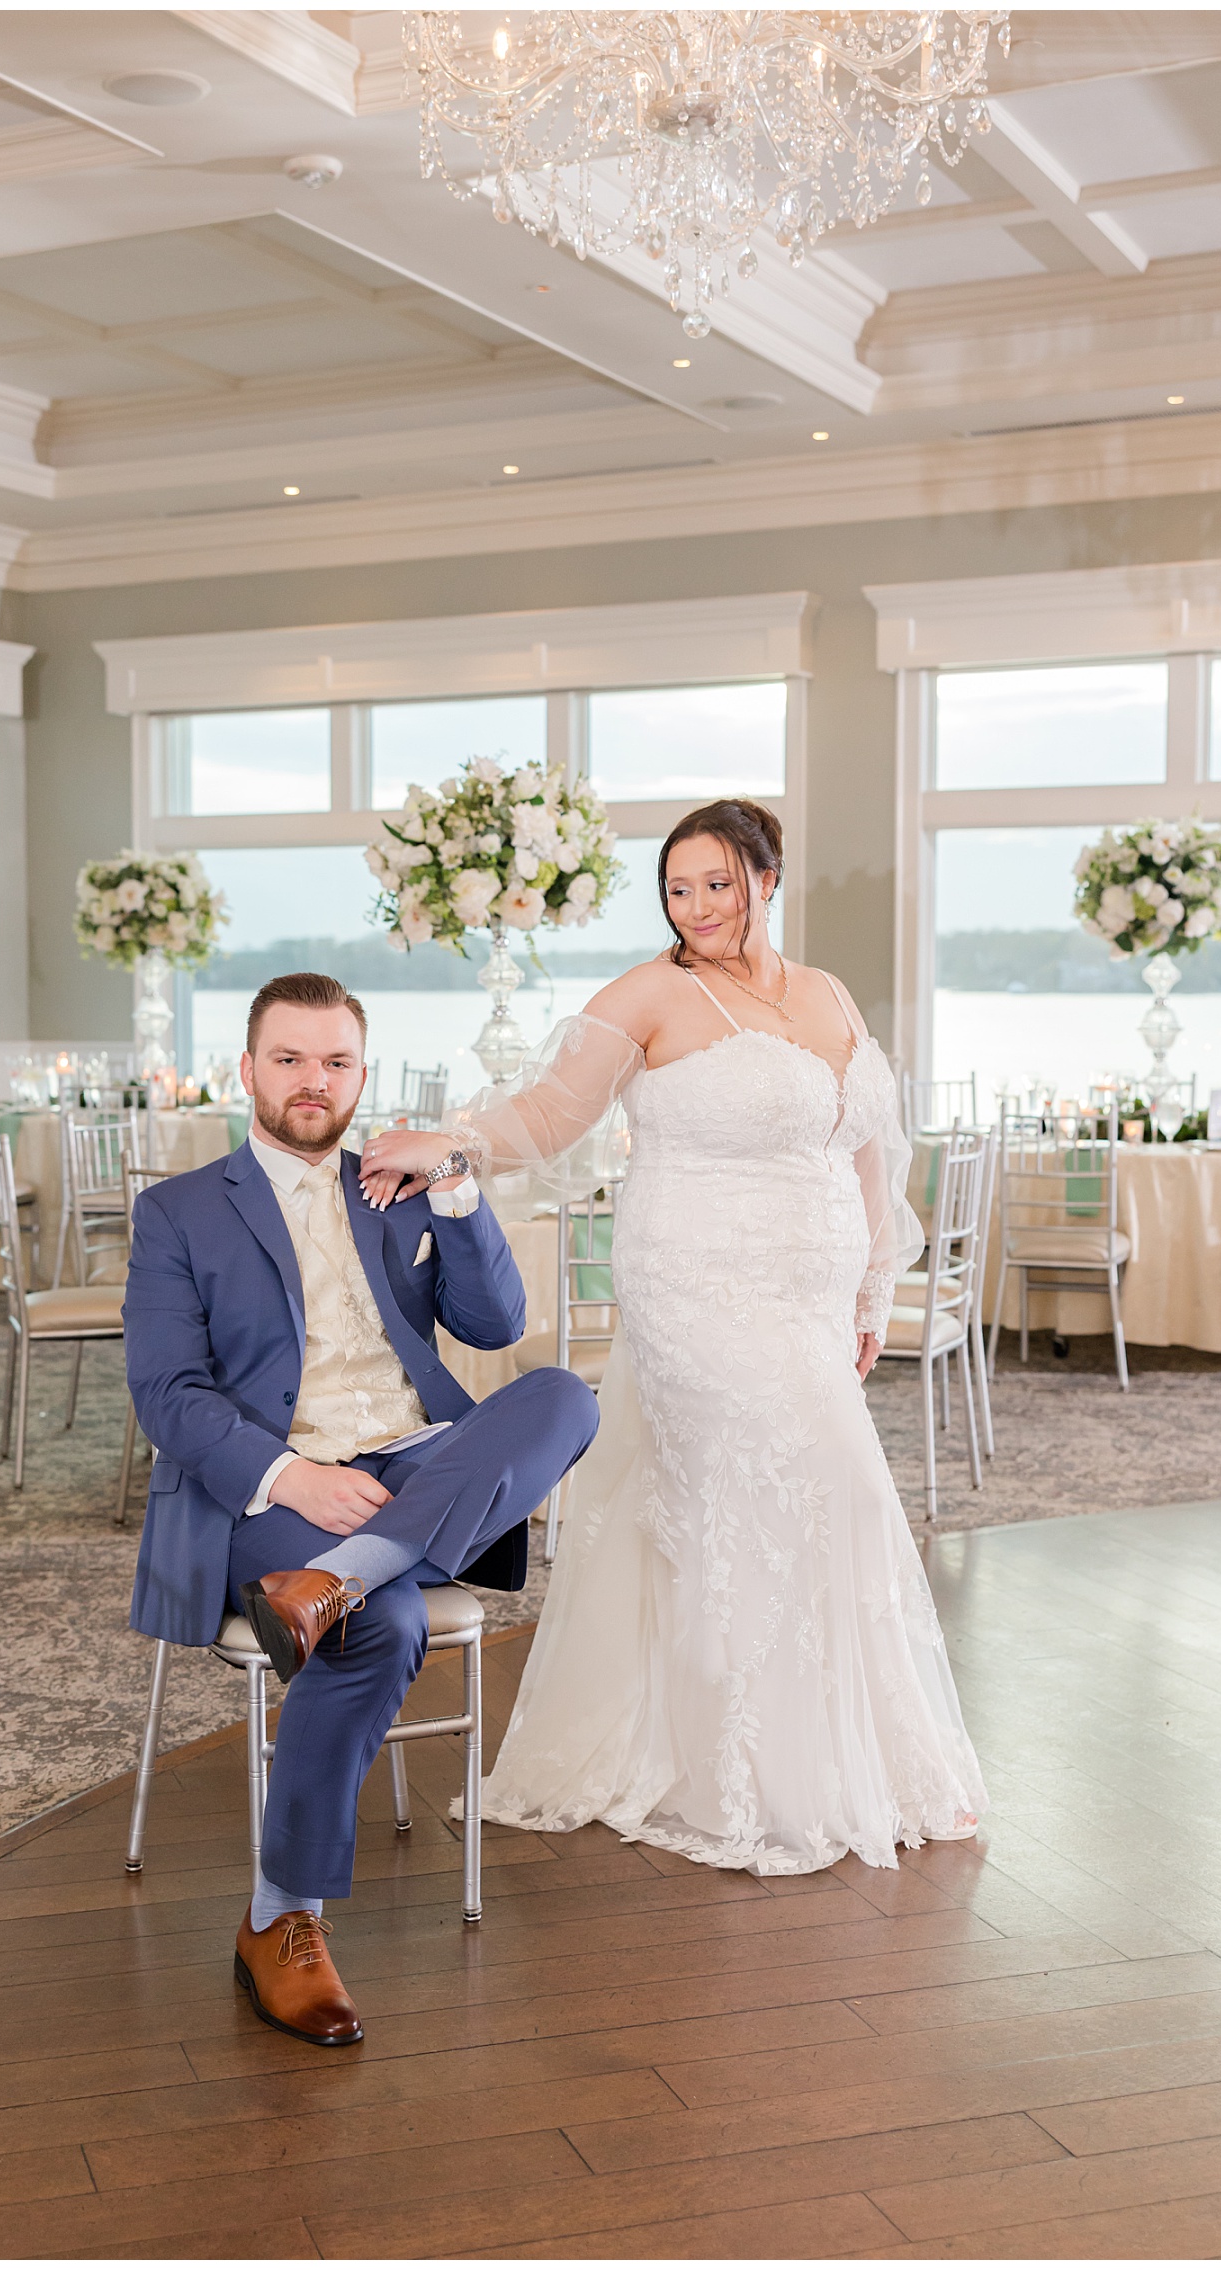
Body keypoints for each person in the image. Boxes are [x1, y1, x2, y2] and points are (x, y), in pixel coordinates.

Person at [361, 800, 986, 1877]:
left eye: (717, 883)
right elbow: (551, 1111)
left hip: (810, 1299)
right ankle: (747, 1768)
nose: (696, 906)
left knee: (806, 1499)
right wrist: (452, 1142)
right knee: (797, 1484)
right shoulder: (652, 993)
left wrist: (873, 1288)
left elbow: (868, 1147)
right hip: (697, 1286)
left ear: (766, 879)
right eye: (677, 888)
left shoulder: (828, 992)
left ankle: (837, 1749)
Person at [122, 972, 598, 2048]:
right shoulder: (178, 1211)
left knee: (564, 1397)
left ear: (362, 1074)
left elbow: (494, 1325)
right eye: (289, 1058)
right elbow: (168, 1395)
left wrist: (456, 1181)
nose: (313, 1080)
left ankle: (340, 1576)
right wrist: (293, 1479)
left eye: (335, 1061)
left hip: (416, 1462)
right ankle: (279, 1917)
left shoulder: (402, 1188)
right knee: (375, 1626)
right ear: (247, 1070)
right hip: (271, 1484)